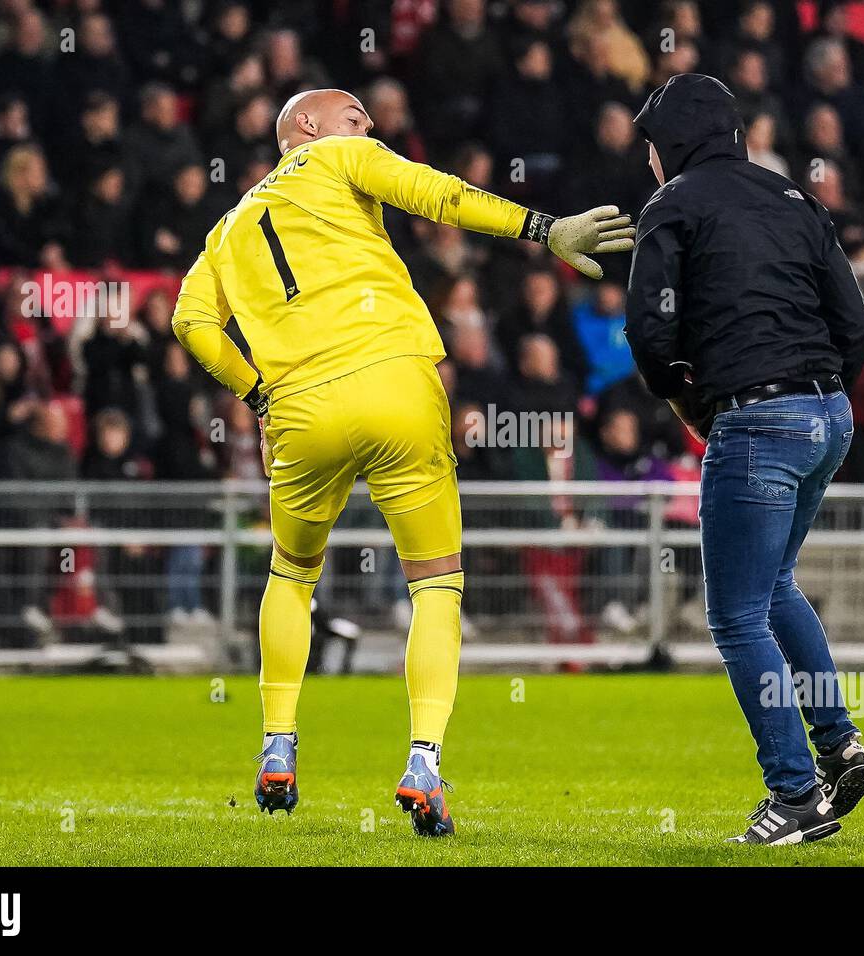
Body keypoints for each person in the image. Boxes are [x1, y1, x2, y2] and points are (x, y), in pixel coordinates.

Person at [171, 87, 633, 833]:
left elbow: (190, 321)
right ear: (307, 128)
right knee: (437, 584)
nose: (370, 126)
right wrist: (545, 227)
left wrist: (256, 394)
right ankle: (423, 761)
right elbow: (437, 194)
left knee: (291, 574)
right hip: (395, 381)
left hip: (298, 411)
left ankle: (277, 747)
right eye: (355, 116)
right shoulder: (339, 158)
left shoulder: (224, 233)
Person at [625, 73, 864, 846]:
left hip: (757, 420)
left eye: (652, 147)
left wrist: (688, 400)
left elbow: (648, 332)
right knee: (773, 590)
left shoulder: (670, 207)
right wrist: (820, 398)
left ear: (673, 143)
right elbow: (856, 324)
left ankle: (796, 794)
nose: (650, 164)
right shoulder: (797, 199)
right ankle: (838, 745)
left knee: (735, 615)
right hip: (830, 416)